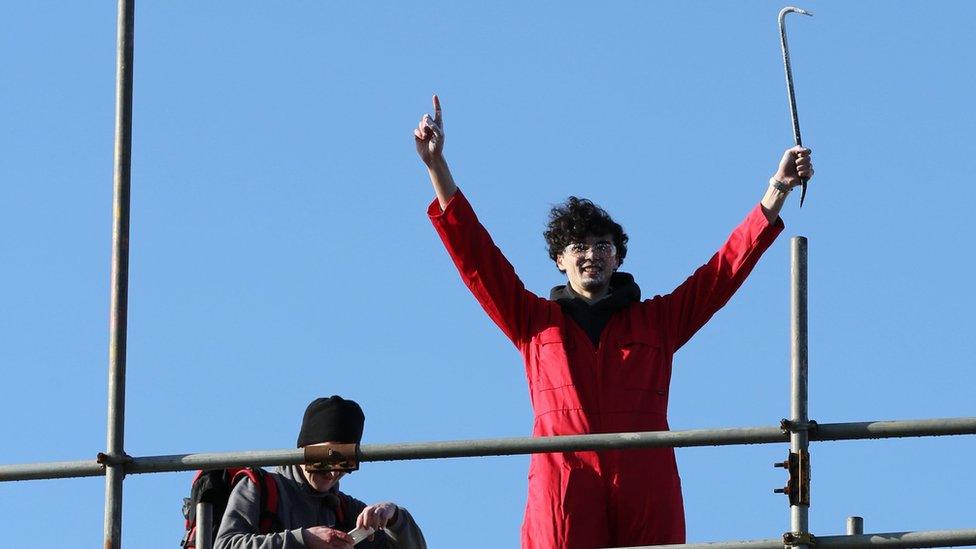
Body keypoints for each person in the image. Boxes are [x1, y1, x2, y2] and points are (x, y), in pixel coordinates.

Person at [413, 95, 813, 549]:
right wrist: (436, 168)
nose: (591, 255)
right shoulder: (533, 324)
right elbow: (479, 261)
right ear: (559, 260)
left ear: (618, 256)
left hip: (643, 479)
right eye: (578, 246)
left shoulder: (656, 322)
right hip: (564, 481)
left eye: (602, 245)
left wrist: (775, 191)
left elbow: (720, 273)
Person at [215, 396, 427, 549]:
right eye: (326, 458)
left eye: (345, 462)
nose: (334, 472)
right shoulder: (260, 487)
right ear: (303, 450)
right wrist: (304, 539)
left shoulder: (347, 511)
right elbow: (225, 545)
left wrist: (394, 518)